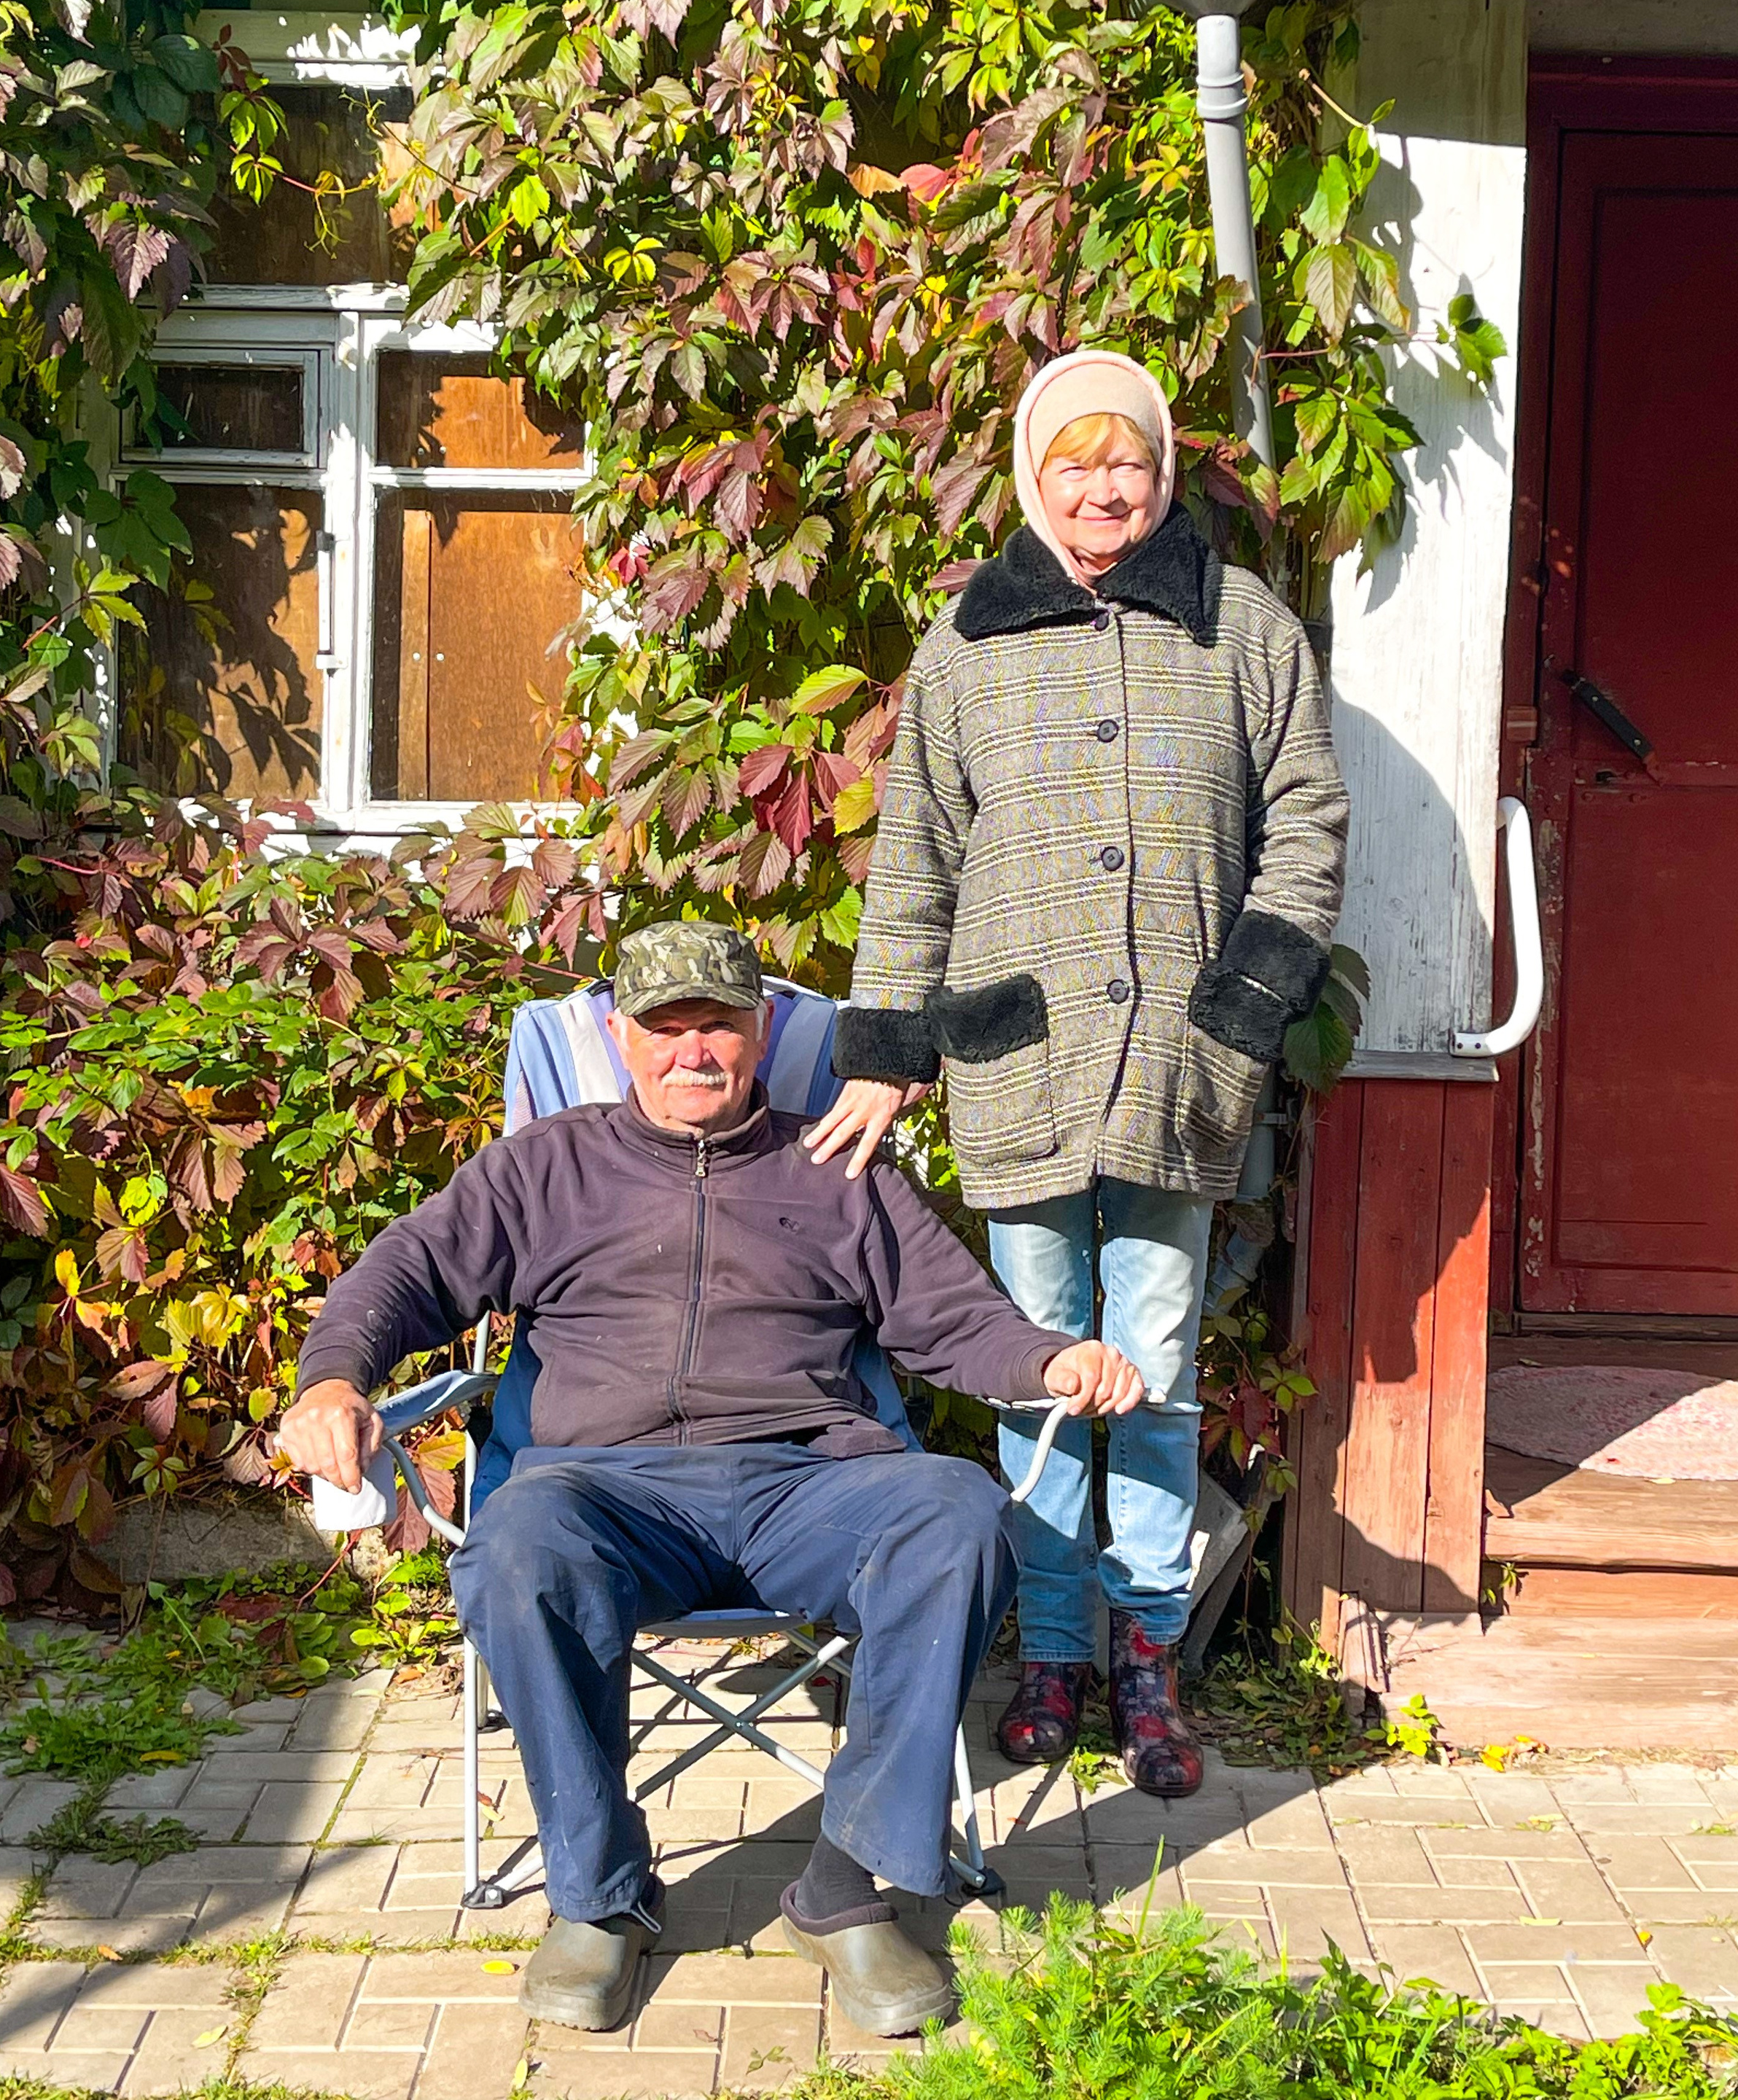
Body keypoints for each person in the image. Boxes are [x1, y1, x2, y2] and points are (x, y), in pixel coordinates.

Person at [278, 920, 1144, 2040]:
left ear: (763, 1029)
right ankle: (600, 1897)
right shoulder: (545, 1167)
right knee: (519, 1539)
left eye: (719, 1027)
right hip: (605, 1490)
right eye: (665, 1028)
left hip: (809, 1482)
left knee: (958, 1511)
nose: (693, 1051)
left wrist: (1046, 1358)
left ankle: (847, 1886)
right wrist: (335, 1378)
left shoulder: (837, 1167)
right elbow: (407, 1268)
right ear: (617, 1035)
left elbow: (952, 1319)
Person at [806, 347, 1348, 1798]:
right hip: (1015, 1068)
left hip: (1182, 1069)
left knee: (1155, 1374)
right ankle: (1049, 1657)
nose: (1100, 489)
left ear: (1162, 475)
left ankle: (1146, 1665)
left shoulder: (1240, 629)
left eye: (1125, 464)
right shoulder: (966, 646)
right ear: (1029, 480)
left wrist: (1240, 1012)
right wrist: (881, 1055)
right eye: (1071, 465)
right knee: (1037, 1373)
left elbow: (1304, 825)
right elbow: (912, 862)